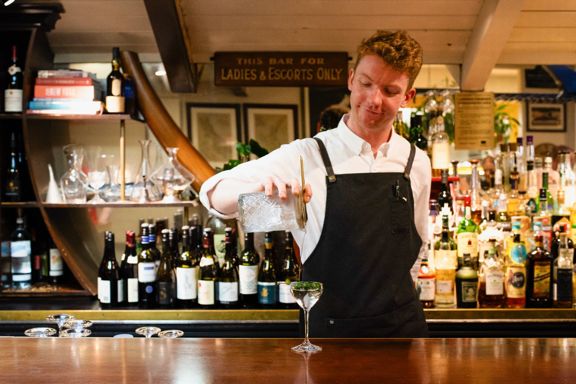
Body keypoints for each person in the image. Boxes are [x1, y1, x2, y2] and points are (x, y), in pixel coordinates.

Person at [200, 30, 431, 337]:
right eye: (366, 84)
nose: (375, 100)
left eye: (390, 90)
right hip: (330, 334)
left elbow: (417, 245)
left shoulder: (416, 161)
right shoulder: (308, 154)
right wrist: (255, 189)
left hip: (404, 331)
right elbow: (212, 193)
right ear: (350, 79)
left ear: (407, 97)